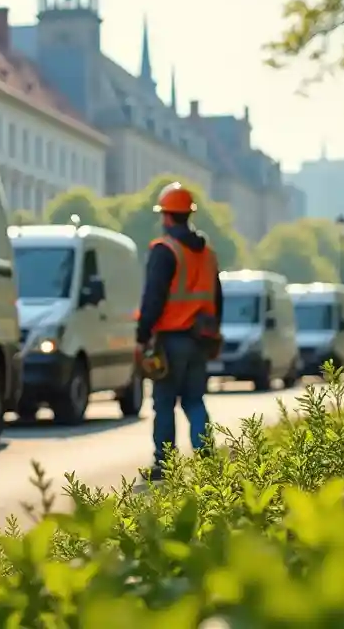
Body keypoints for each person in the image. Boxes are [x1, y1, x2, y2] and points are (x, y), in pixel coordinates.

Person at [136, 182, 224, 482]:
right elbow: (218, 298)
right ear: (188, 215)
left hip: (171, 340)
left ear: (167, 216)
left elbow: (153, 299)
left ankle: (165, 465)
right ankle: (207, 460)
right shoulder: (208, 254)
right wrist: (215, 333)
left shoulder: (165, 250)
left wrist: (141, 336)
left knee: (164, 402)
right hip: (200, 339)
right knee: (194, 400)